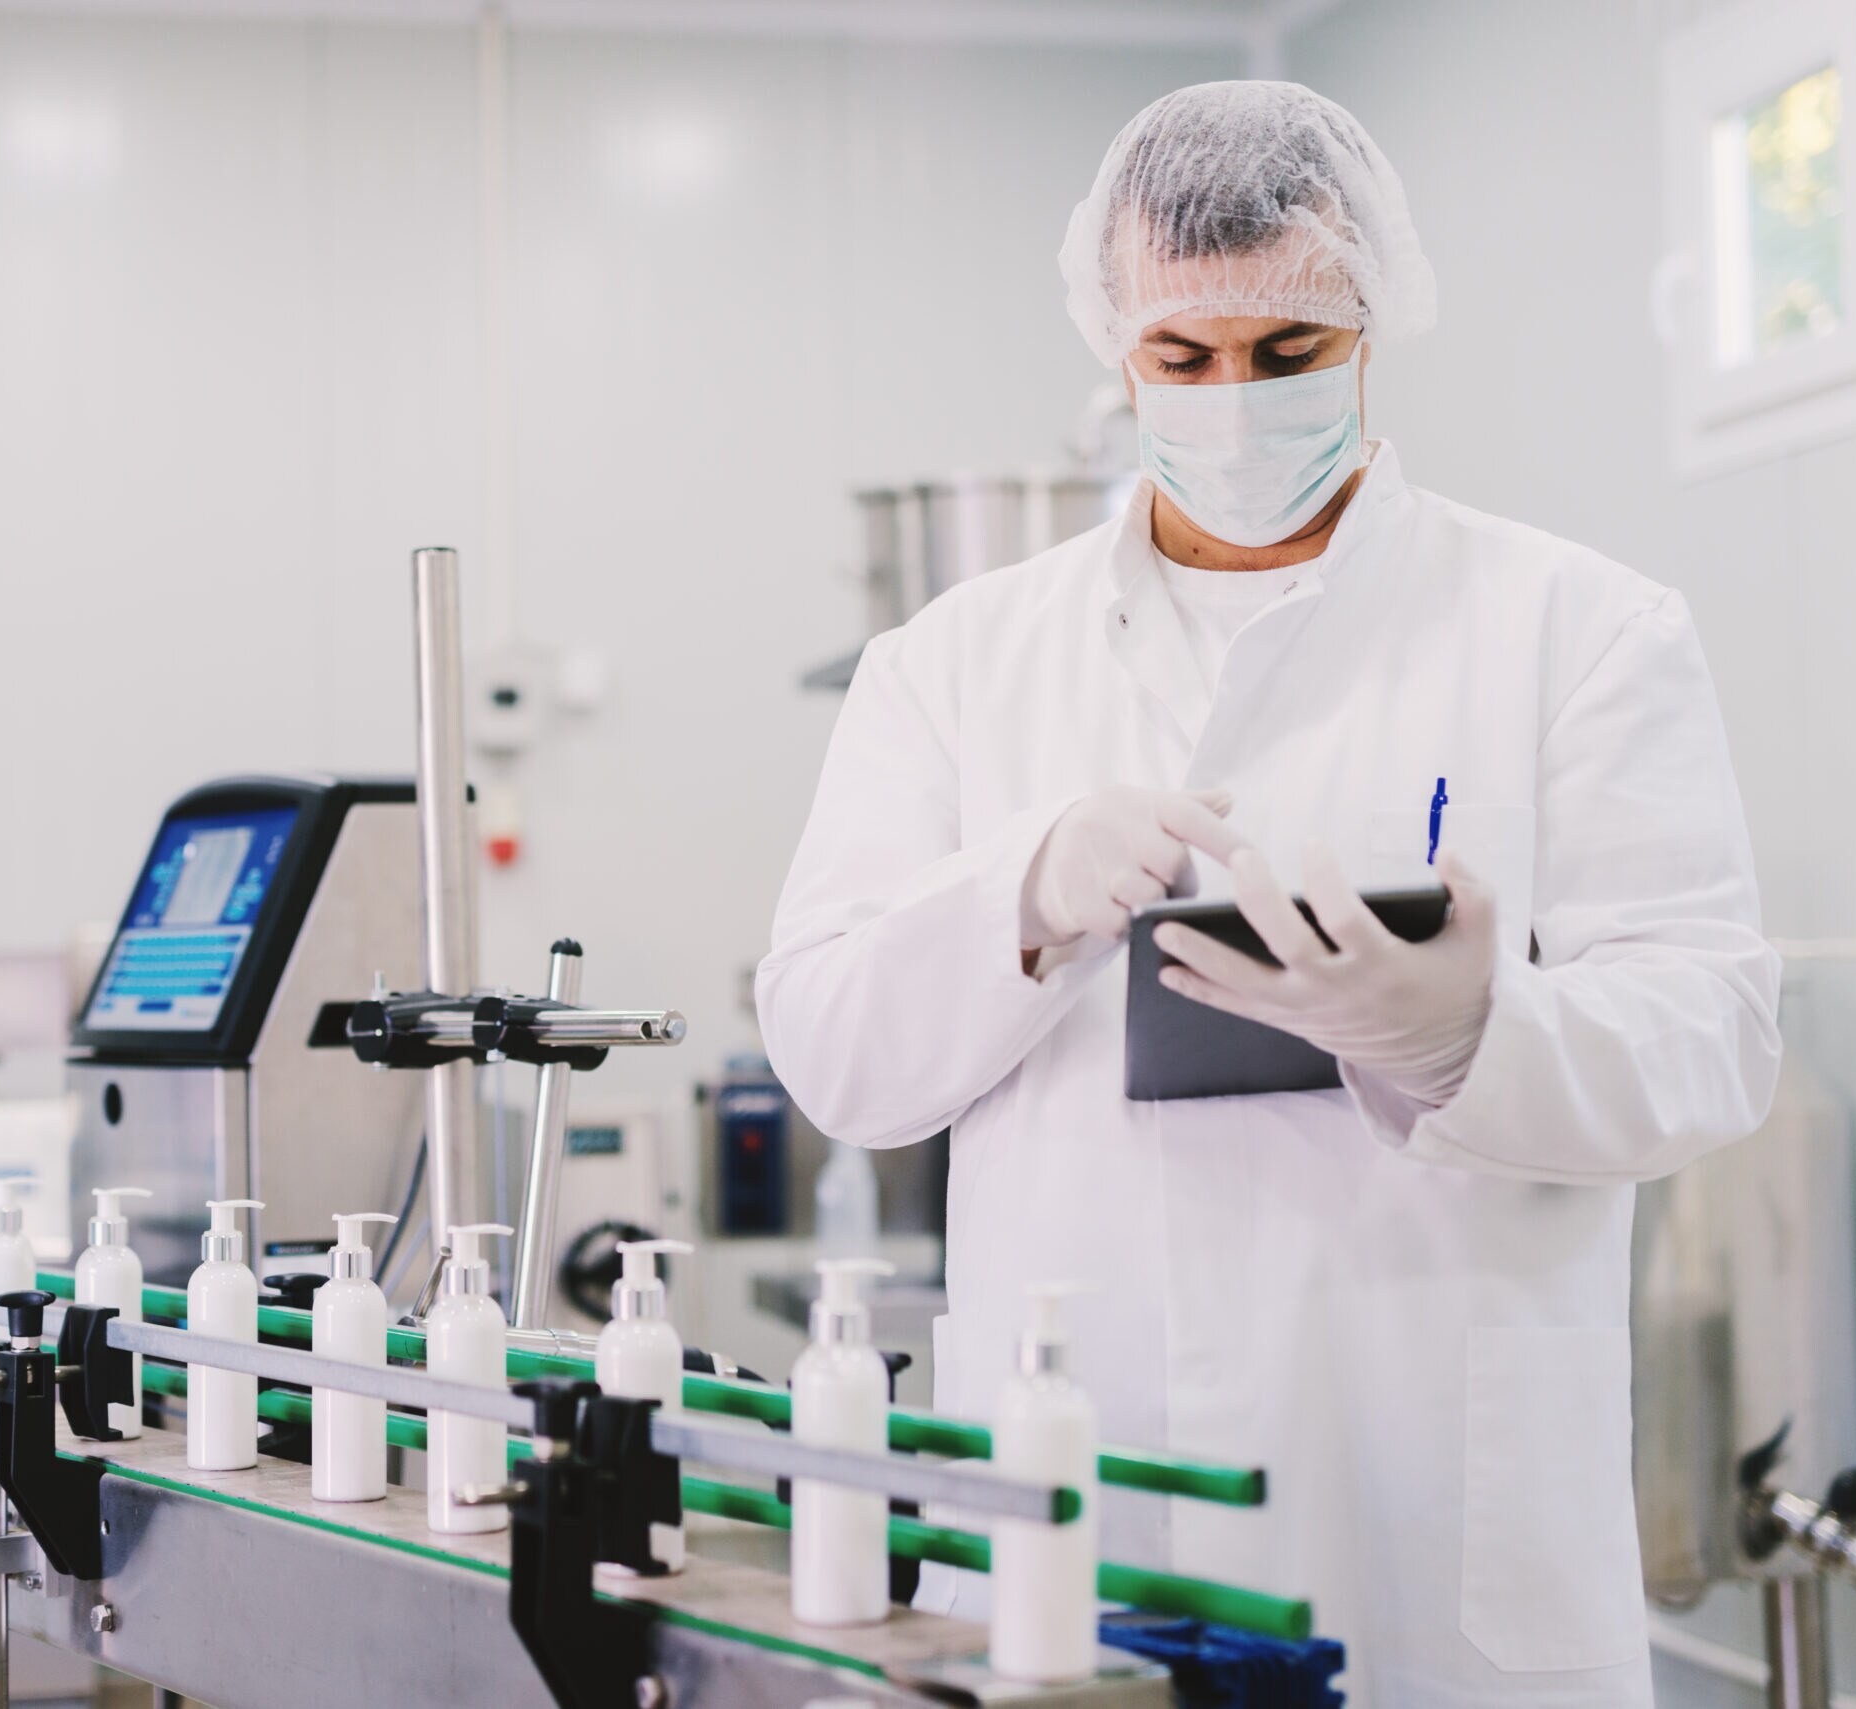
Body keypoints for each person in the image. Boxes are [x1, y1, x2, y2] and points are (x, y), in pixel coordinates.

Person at [756, 80, 1778, 1704]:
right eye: (1182, 358)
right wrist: (1018, 895)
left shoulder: (1578, 629)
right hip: (1083, 1505)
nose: (1233, 402)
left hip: (1431, 1508)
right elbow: (831, 1045)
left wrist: (1470, 1034)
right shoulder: (954, 664)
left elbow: (1715, 1032)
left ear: (1371, 325)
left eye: (1287, 350)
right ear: (1117, 351)